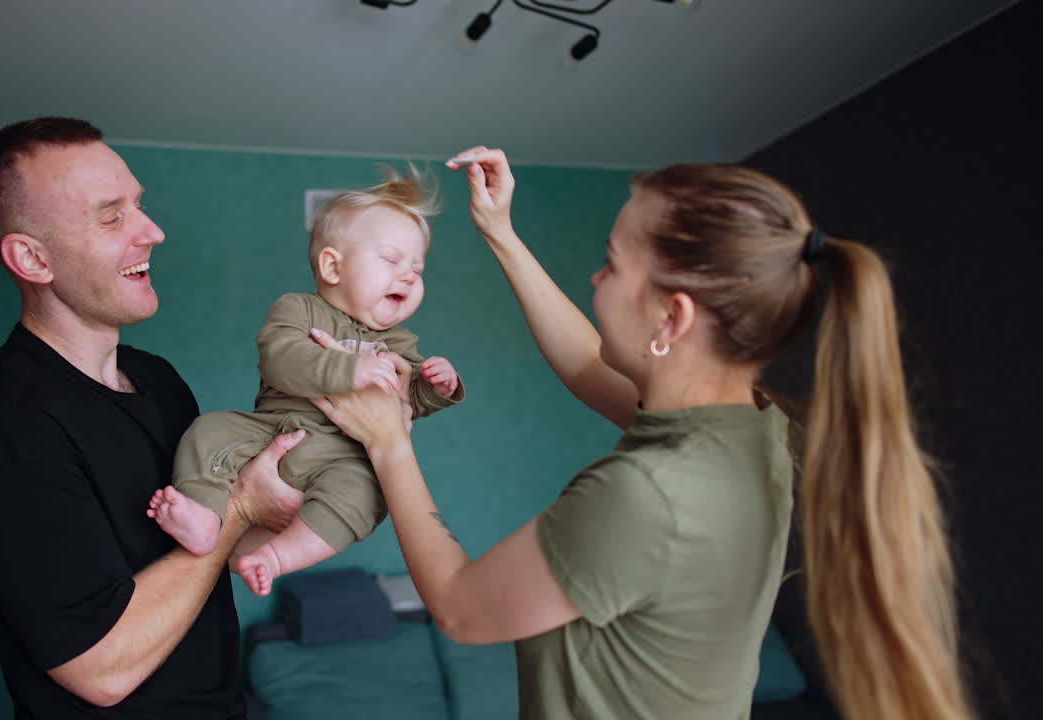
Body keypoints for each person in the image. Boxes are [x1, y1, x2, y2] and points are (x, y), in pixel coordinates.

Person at [310, 147, 974, 720]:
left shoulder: (647, 494)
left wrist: (389, 441)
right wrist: (501, 233)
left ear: (672, 318)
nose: (596, 278)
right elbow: (585, 364)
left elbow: (460, 608)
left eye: (610, 264)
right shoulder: (754, 433)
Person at [0, 116, 306, 719]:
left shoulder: (157, 379)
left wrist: (326, 457)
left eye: (139, 206)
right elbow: (100, 667)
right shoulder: (7, 432)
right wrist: (240, 505)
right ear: (32, 257)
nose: (153, 231)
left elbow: (217, 544)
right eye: (111, 216)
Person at [146, 163, 464, 597]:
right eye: (392, 260)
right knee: (209, 431)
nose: (408, 275)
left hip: (343, 458)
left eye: (418, 268)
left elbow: (407, 405)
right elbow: (282, 360)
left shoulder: (400, 342)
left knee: (372, 493)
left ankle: (276, 557)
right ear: (333, 267)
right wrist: (351, 370)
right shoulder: (298, 309)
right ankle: (205, 516)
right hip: (271, 433)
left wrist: (434, 386)